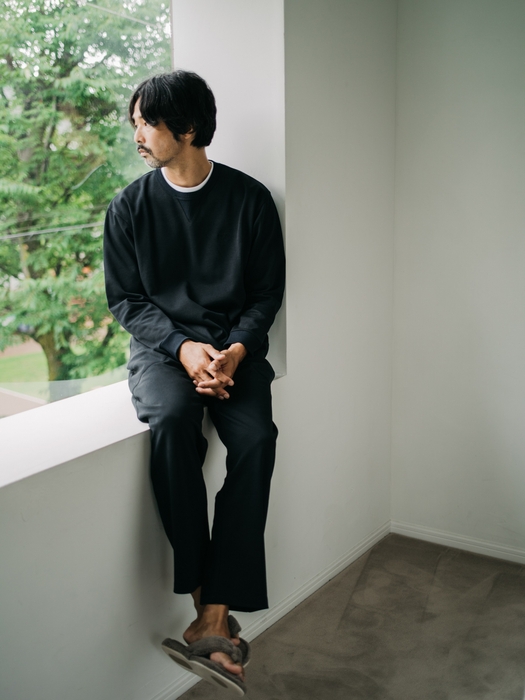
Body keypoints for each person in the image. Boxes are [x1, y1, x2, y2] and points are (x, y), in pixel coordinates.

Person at [103, 70, 285, 695]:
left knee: (256, 440)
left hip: (235, 351)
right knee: (174, 423)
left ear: (186, 128)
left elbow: (265, 294)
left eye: (146, 124)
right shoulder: (128, 207)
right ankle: (212, 612)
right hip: (163, 351)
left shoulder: (250, 200)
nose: (137, 135)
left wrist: (234, 350)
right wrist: (183, 348)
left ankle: (210, 622)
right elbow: (126, 300)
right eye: (134, 123)